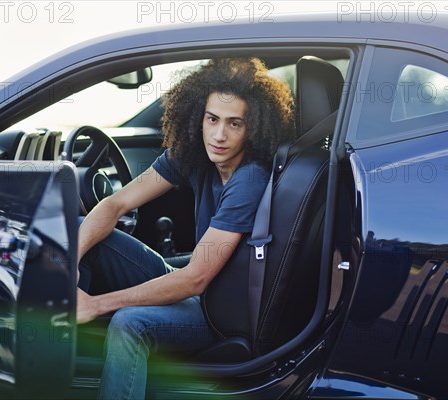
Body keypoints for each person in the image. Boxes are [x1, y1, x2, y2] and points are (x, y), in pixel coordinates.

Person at [76, 57, 295, 399]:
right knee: (85, 234)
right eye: (212, 119)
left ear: (253, 128)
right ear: (198, 118)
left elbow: (196, 279)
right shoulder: (193, 155)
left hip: (217, 314)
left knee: (129, 323)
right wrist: (65, 265)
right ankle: (61, 340)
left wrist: (96, 305)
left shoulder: (250, 179)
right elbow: (115, 204)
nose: (220, 135)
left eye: (235, 124)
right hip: (198, 289)